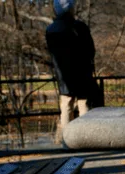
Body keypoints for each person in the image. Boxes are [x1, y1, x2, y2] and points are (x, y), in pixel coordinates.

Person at [46, 0, 97, 144]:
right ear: (71, 9)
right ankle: (85, 139)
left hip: (63, 74)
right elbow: (90, 50)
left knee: (66, 106)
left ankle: (67, 141)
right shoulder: (80, 27)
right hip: (82, 72)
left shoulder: (51, 29)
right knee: (84, 104)